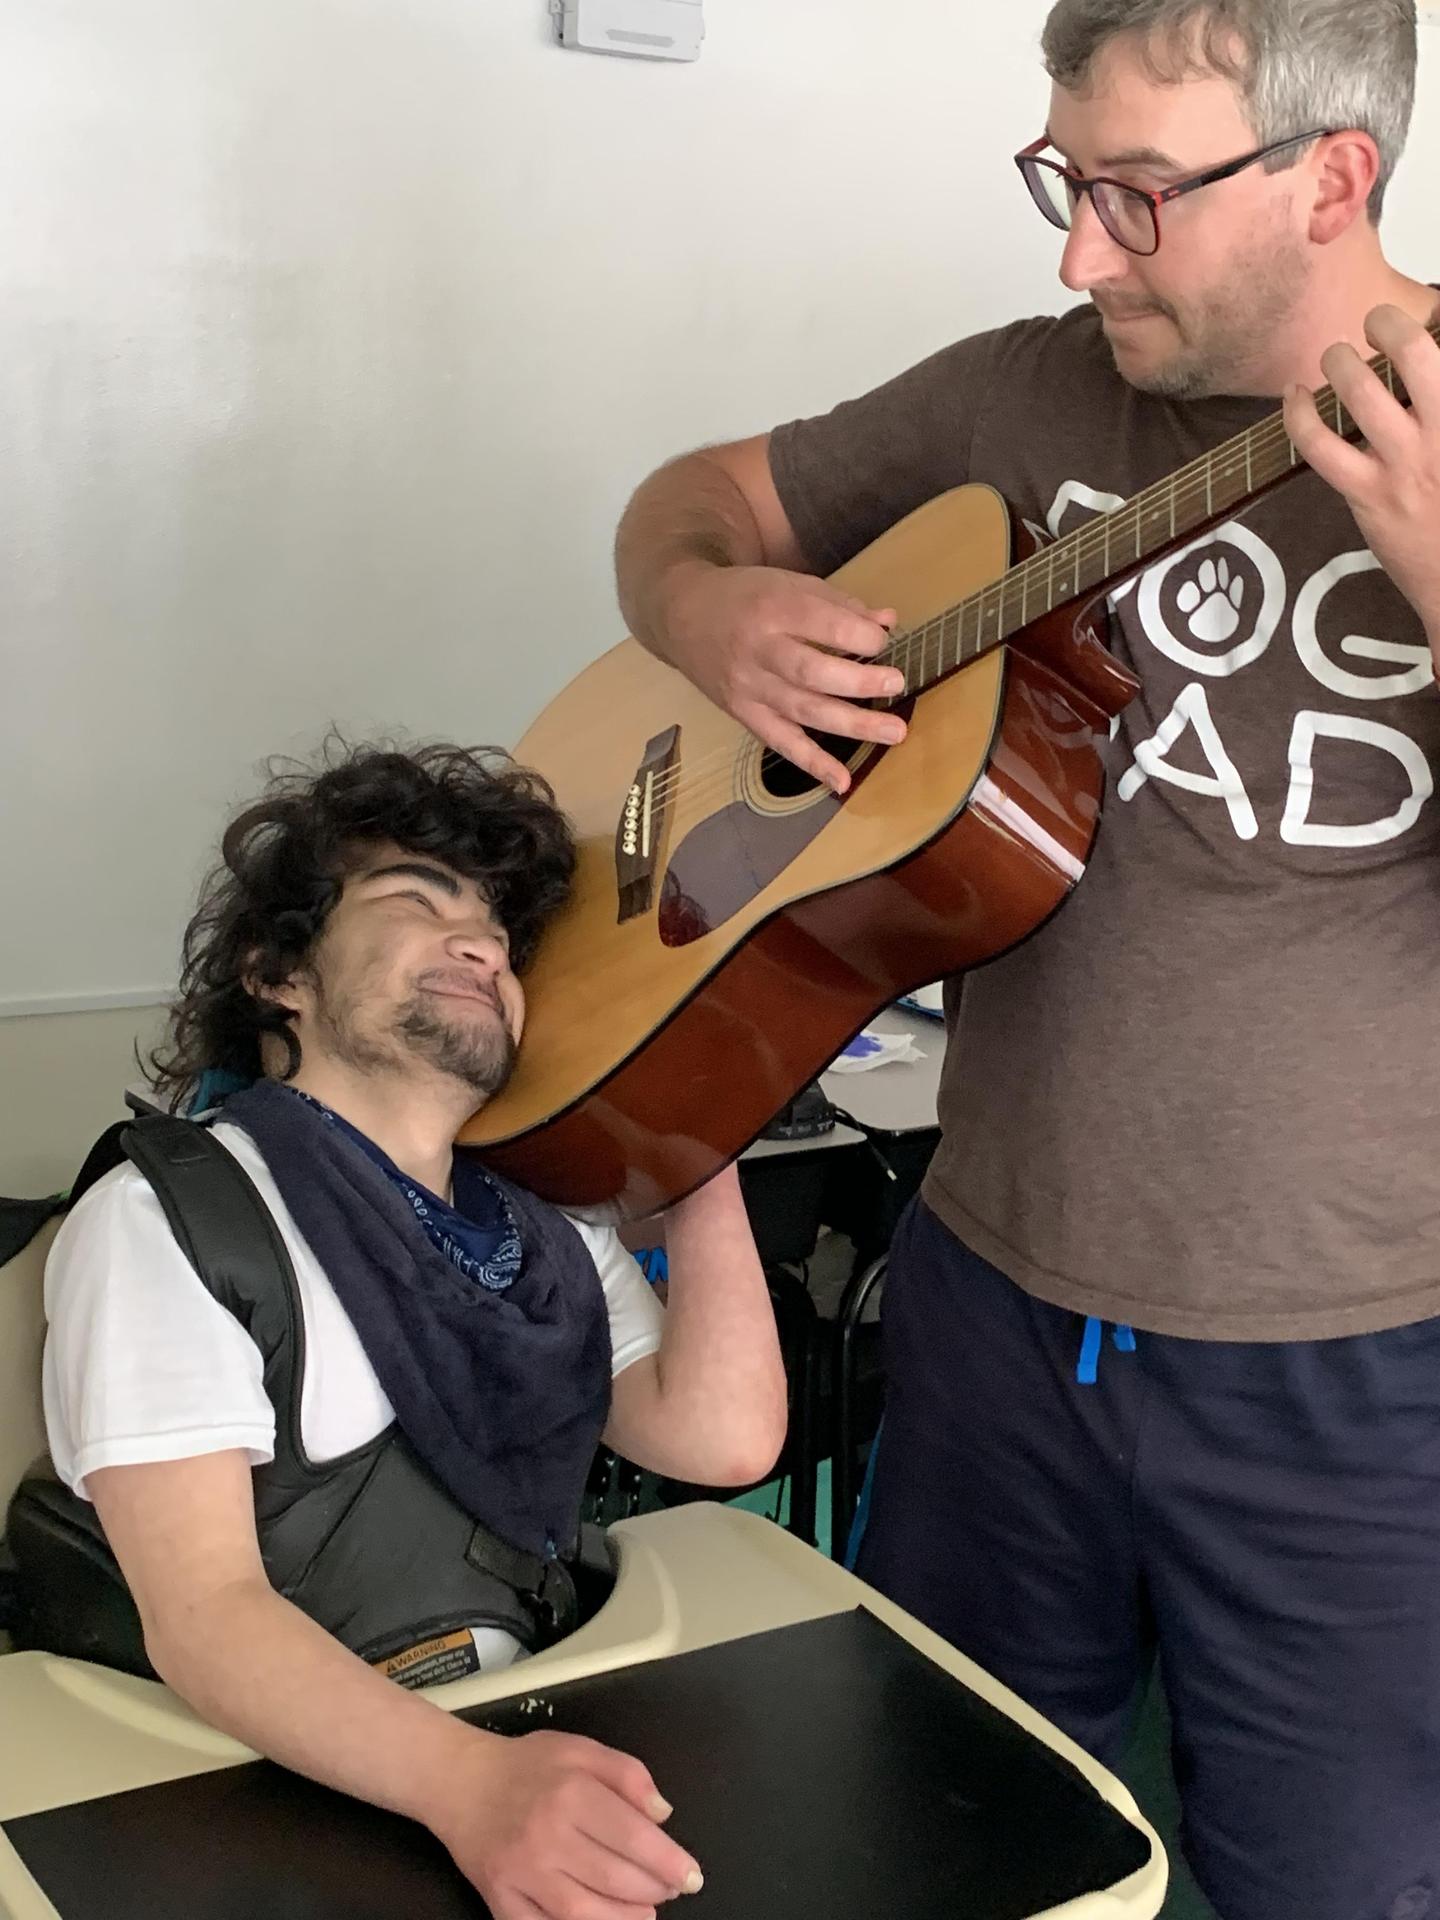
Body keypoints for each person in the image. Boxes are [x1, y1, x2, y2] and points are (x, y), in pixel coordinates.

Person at [611, 3, 1440, 1915]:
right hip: (991, 1310)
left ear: (1336, 178)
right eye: (1068, 184)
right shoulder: (1024, 396)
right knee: (934, 1844)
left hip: (1355, 1387)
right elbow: (694, 500)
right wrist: (710, 607)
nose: (1081, 253)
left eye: (1139, 198)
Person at [39, 739, 787, 1920]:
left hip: (530, 1724)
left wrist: (701, 1136)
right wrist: (470, 1787)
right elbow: (205, 1617)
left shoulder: (544, 1227)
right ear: (277, 972)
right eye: (414, 901)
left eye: (497, 928)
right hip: (253, 1794)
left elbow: (722, 1440)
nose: (481, 943)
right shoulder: (169, 1223)